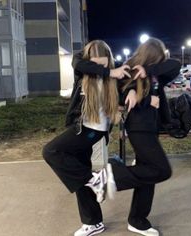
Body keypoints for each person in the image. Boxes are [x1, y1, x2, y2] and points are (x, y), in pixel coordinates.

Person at [42, 40, 131, 236]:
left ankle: (95, 180)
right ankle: (93, 222)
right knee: (80, 176)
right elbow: (78, 61)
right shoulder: (83, 73)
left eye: (103, 64)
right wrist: (107, 71)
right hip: (81, 127)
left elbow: (129, 88)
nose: (99, 68)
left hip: (93, 132)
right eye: (95, 63)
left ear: (109, 60)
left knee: (50, 151)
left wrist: (129, 90)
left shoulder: (114, 78)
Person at [100, 37, 181, 236]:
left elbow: (175, 65)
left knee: (149, 174)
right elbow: (117, 96)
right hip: (138, 127)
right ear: (151, 55)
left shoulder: (155, 73)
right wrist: (135, 94)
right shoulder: (127, 69)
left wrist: (149, 70)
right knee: (162, 170)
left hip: (150, 127)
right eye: (158, 58)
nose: (161, 62)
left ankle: (137, 219)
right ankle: (112, 176)